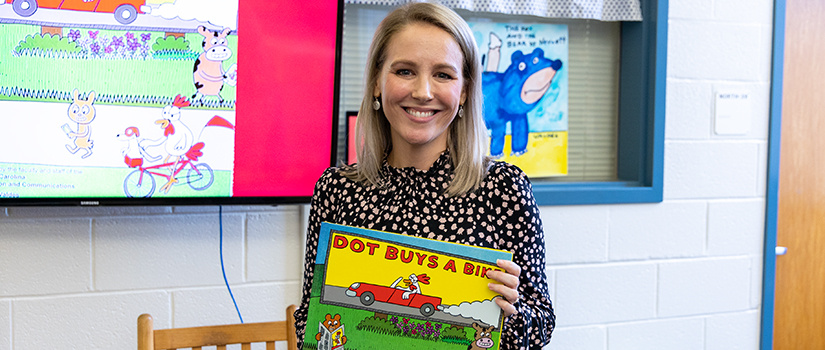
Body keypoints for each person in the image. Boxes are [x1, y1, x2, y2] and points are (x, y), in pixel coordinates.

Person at [295, 2, 554, 348]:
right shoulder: (337, 189)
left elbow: (540, 326)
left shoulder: (504, 189)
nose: (423, 91)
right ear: (376, 82)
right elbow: (307, 323)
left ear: (464, 91)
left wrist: (513, 310)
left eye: (443, 75)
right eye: (404, 71)